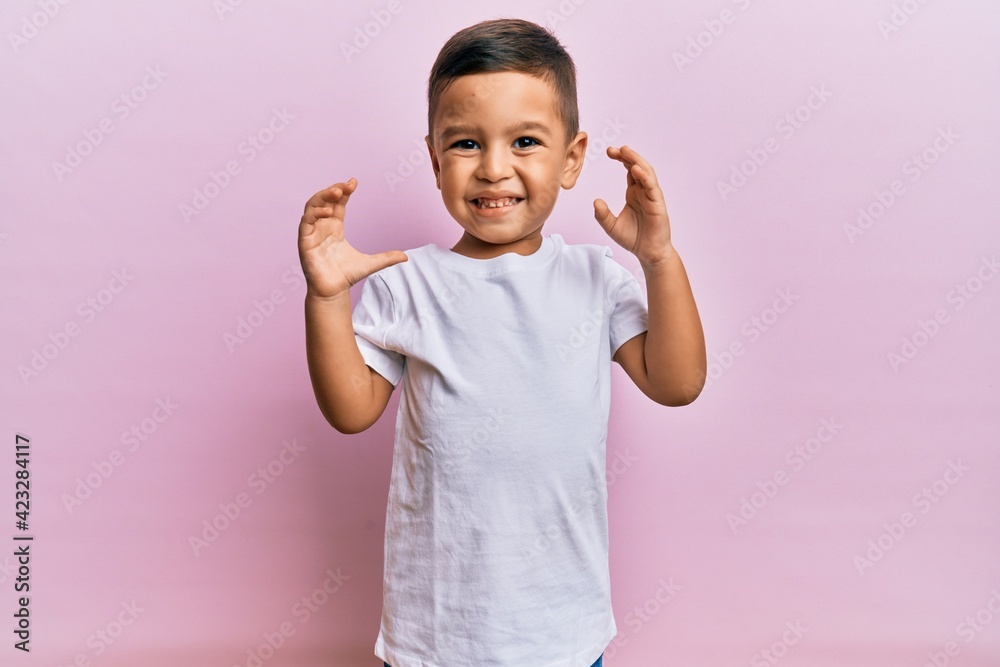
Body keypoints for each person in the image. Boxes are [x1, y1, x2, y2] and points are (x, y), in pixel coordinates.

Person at [297, 17, 706, 667]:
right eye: (465, 143)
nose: (493, 168)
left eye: (525, 141)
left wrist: (659, 258)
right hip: (437, 632)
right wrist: (325, 299)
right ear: (435, 159)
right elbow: (350, 411)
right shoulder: (408, 282)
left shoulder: (594, 278)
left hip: (562, 628)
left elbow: (677, 383)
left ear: (571, 159)